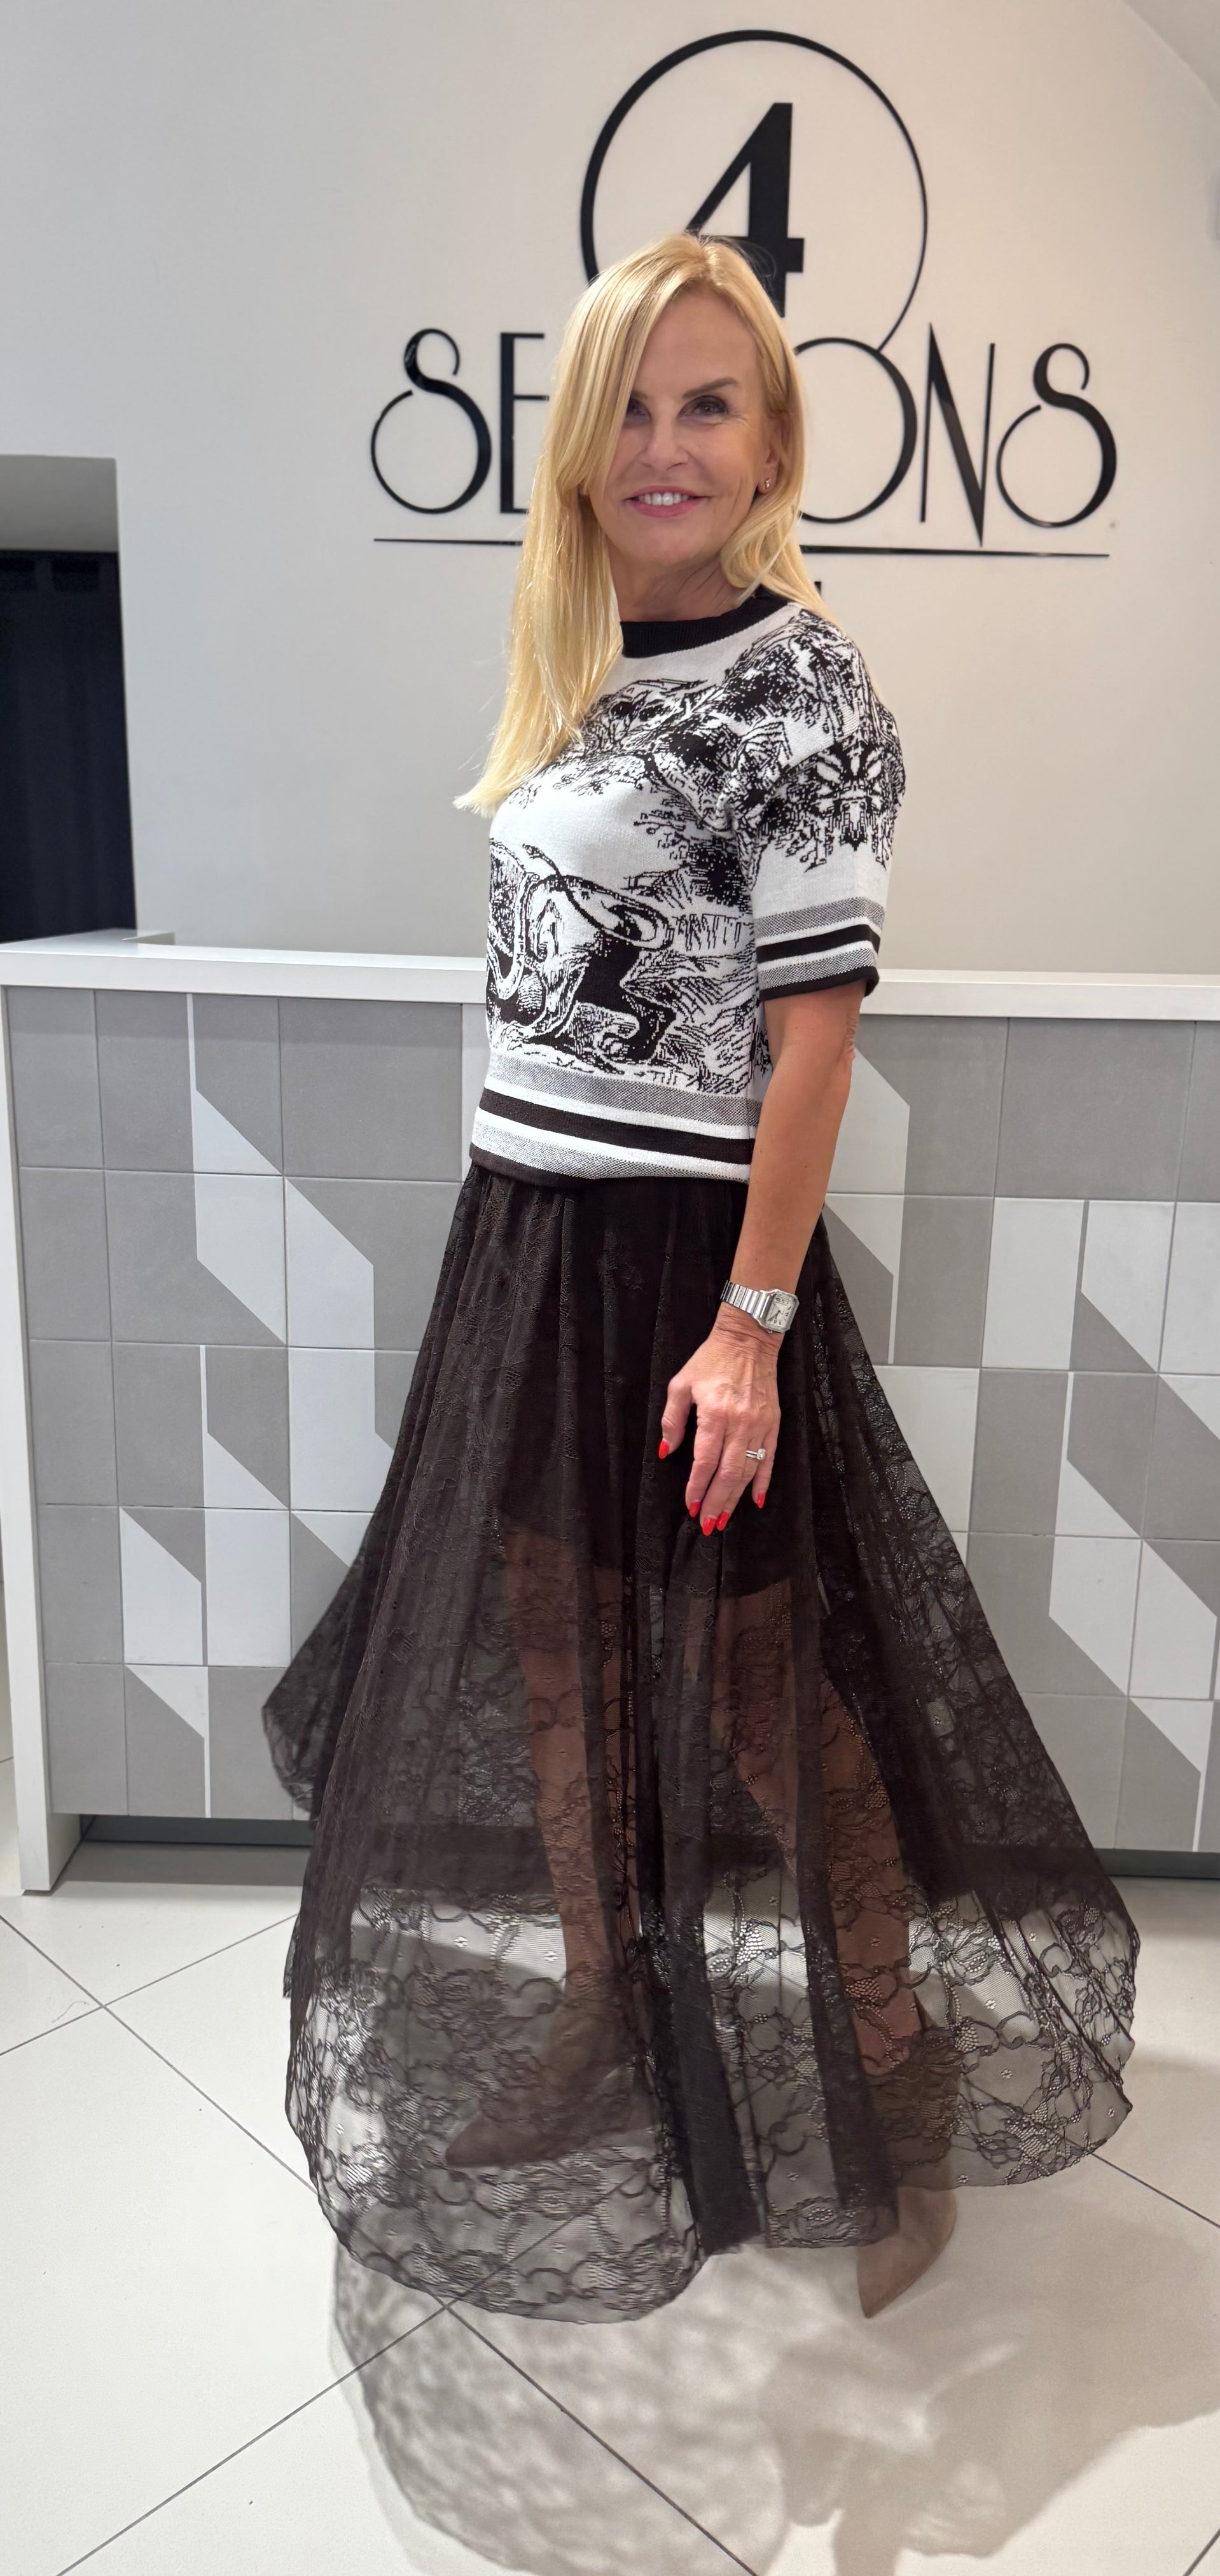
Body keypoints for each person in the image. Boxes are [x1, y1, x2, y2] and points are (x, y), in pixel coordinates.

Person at [263, 232, 1137, 2326]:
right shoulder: (575, 662)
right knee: (561, 1664)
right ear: (581, 440)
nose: (667, 445)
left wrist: (745, 1329)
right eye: (633, 406)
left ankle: (890, 2064)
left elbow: (813, 1046)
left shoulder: (801, 689)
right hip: (529, 1239)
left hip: (685, 1265)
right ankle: (597, 2006)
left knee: (757, 1690)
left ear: (769, 442)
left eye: (709, 404)